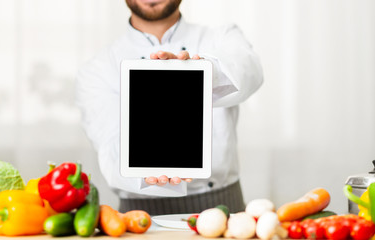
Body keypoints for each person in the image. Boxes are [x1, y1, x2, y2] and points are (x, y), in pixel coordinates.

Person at [76, 0, 263, 215]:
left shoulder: (222, 36)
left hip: (224, 207)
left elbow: (248, 71)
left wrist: (197, 74)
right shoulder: (97, 68)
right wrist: (146, 171)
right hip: (140, 215)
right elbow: (109, 144)